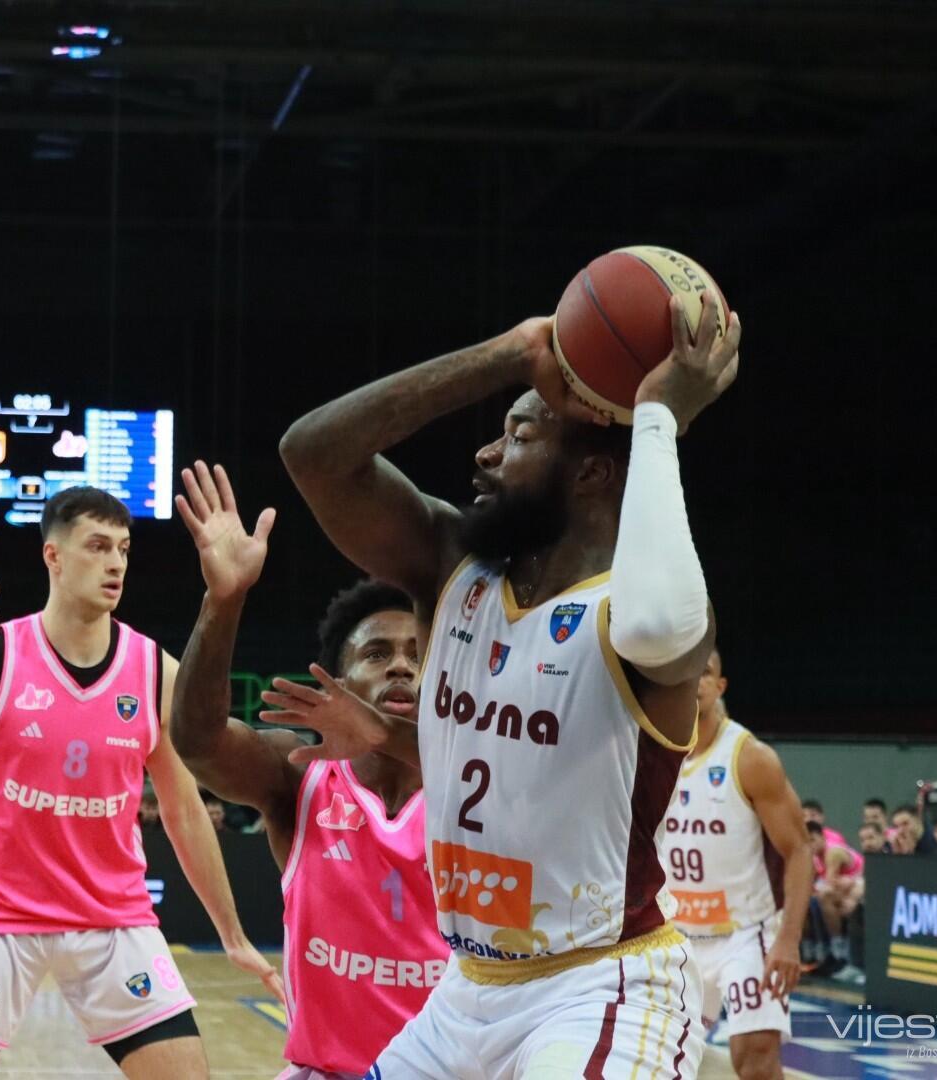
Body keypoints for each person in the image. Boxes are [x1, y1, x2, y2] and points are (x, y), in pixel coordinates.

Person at [271, 290, 740, 1076]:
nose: (486, 455)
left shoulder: (634, 609)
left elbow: (664, 624)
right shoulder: (455, 564)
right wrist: (510, 354)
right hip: (466, 991)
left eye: (519, 435)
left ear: (592, 473)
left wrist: (658, 418)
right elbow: (311, 454)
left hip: (599, 987)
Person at [0, 485, 279, 1080]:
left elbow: (185, 811)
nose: (116, 563)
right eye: (97, 546)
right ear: (53, 556)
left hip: (115, 919)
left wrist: (233, 934)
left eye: (124, 549)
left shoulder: (154, 671)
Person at [168, 461, 447, 1079]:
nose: (401, 667)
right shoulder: (299, 776)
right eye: (377, 653)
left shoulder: (478, 785)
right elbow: (197, 741)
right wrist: (224, 600)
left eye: (418, 654)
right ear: (340, 683)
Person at [661, 649, 811, 1080]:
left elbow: (800, 850)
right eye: (684, 671)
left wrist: (788, 940)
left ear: (719, 686)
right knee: (659, 1060)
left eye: (704, 672)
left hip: (744, 934)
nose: (694, 680)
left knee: (756, 1061)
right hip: (675, 934)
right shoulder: (648, 751)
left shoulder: (750, 757)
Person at [805, 822, 865, 984]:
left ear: (822, 837)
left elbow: (828, 884)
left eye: (813, 840)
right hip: (843, 890)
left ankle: (839, 950)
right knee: (807, 899)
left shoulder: (833, 853)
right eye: (807, 841)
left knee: (824, 896)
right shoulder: (814, 856)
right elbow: (810, 884)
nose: (810, 845)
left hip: (861, 886)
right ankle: (817, 952)